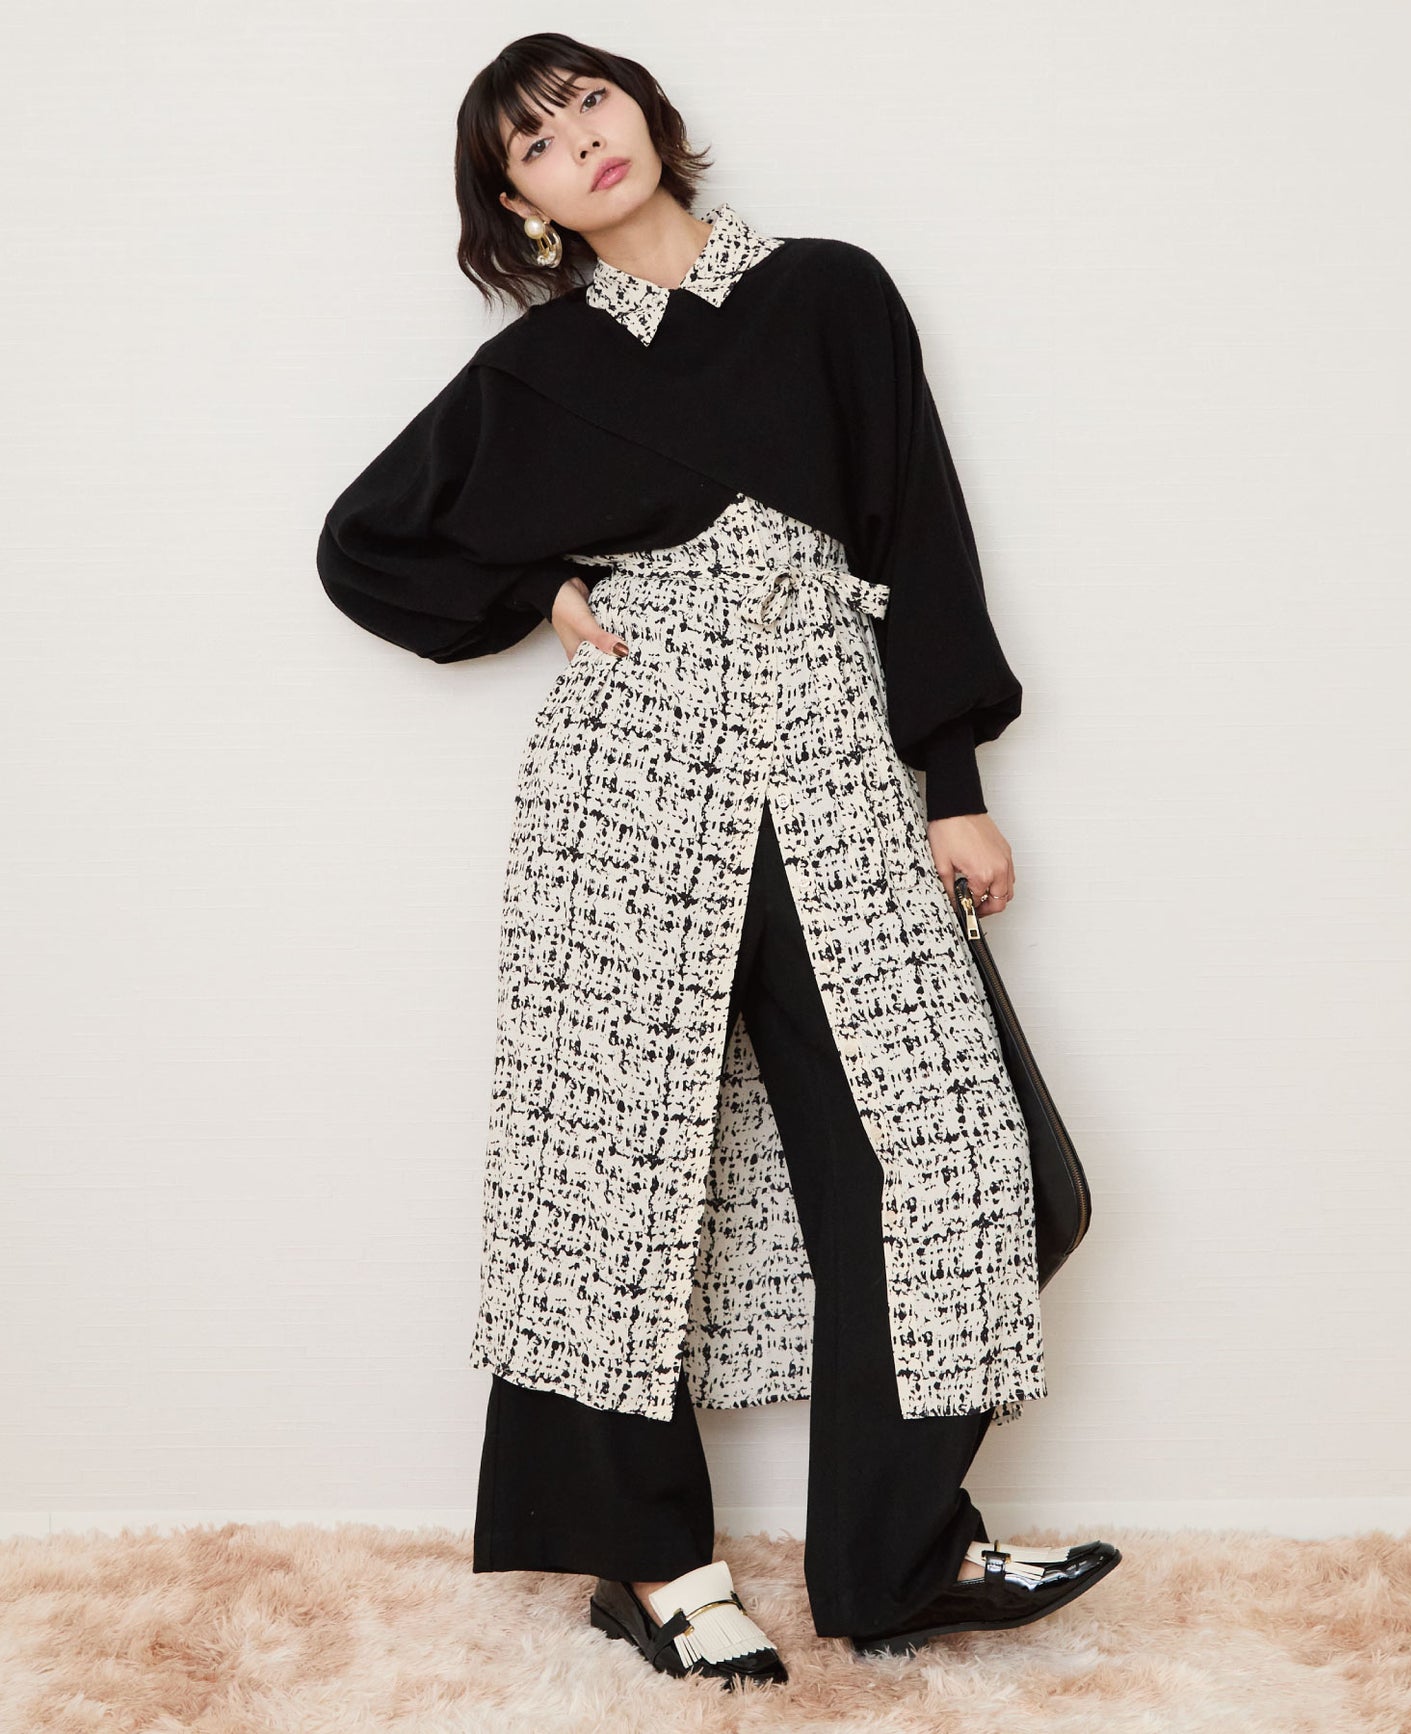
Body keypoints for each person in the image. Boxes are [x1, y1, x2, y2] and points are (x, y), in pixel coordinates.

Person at [316, 30, 1121, 1691]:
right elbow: (363, 544)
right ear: (521, 205)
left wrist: (950, 776)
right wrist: (537, 595)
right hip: (632, 781)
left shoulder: (827, 292)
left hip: (835, 761)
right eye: (533, 143)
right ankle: (654, 1564)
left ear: (645, 111)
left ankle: (892, 1556)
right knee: (610, 1183)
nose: (576, 141)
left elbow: (914, 526)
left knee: (967, 1165)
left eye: (586, 102)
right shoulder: (539, 370)